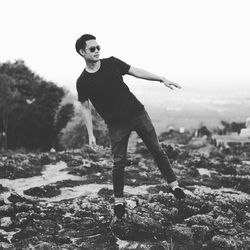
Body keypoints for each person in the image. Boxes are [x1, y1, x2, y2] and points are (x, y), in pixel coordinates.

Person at [75, 34, 186, 219]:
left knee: (157, 150)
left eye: (98, 47)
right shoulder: (83, 81)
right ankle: (119, 201)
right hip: (116, 125)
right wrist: (90, 134)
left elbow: (137, 71)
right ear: (82, 52)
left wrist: (161, 79)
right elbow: (85, 107)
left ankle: (174, 185)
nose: (97, 51)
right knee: (119, 162)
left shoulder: (112, 63)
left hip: (137, 114)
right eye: (92, 49)